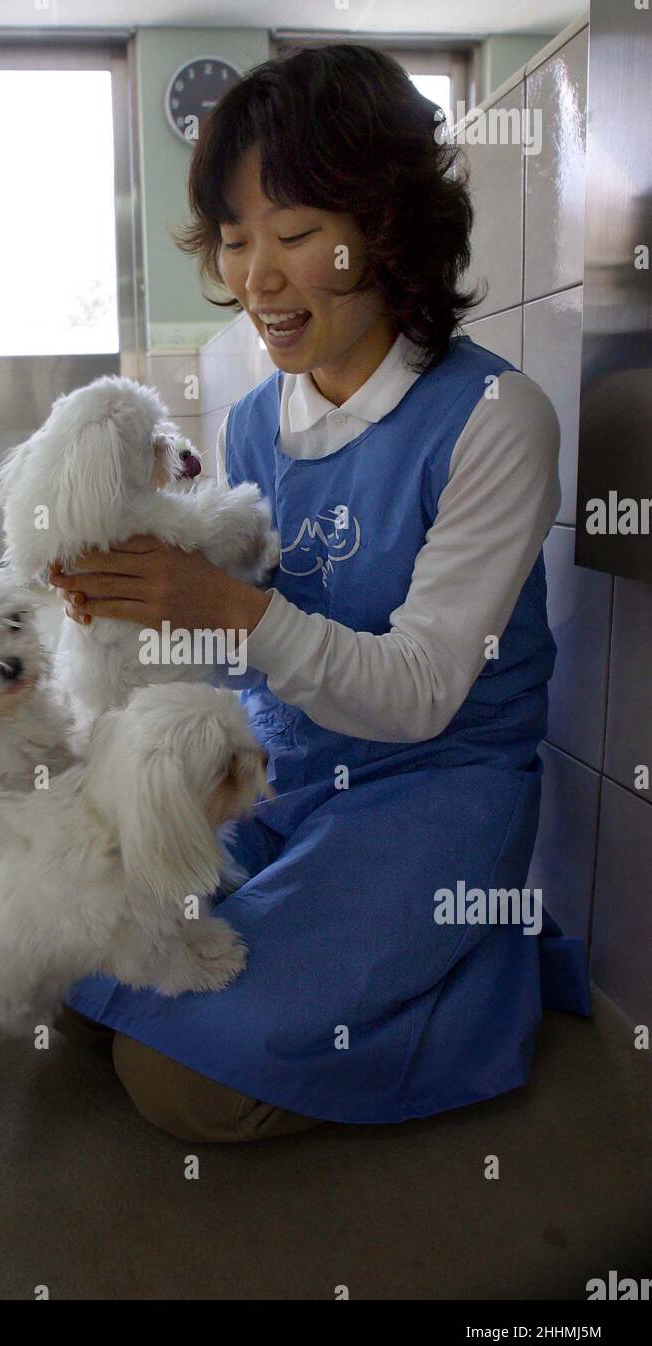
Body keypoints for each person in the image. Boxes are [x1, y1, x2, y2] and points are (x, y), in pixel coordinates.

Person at [49, 44, 591, 1143]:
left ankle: (480, 981)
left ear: (389, 231)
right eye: (238, 240)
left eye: (294, 236)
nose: (257, 277)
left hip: (433, 784)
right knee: (71, 954)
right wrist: (133, 604)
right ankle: (343, 949)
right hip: (279, 771)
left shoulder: (494, 420)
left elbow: (423, 691)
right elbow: (236, 647)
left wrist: (218, 602)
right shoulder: (257, 420)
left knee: (181, 1075)